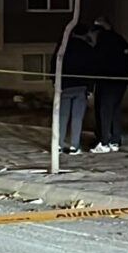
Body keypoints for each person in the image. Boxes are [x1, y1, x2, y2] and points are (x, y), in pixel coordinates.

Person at [52, 24, 96, 155]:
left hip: (65, 86)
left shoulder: (63, 47)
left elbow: (54, 63)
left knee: (62, 116)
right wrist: (90, 88)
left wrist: (55, 82)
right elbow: (91, 69)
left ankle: (58, 145)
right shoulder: (87, 49)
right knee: (77, 117)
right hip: (81, 86)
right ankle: (74, 146)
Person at [90, 16, 128, 153]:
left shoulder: (103, 41)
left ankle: (104, 142)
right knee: (114, 110)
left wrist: (96, 78)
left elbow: (97, 60)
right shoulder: (120, 40)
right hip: (120, 81)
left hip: (107, 81)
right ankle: (115, 140)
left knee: (105, 111)